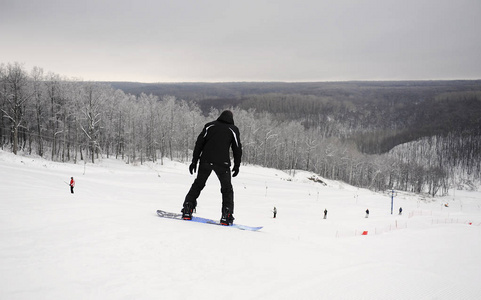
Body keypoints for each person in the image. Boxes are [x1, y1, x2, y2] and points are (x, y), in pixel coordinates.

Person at [182, 110, 242, 225]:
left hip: (205, 161)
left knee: (198, 184)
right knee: (227, 189)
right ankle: (226, 215)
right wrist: (237, 165)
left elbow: (199, 143)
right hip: (222, 163)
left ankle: (187, 209)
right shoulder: (233, 130)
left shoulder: (209, 126)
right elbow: (237, 148)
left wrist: (194, 161)